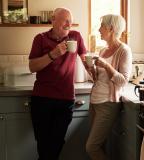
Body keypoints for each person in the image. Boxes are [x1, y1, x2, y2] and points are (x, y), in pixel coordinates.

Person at [28, 7, 86, 160]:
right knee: (43, 143)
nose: (69, 25)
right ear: (53, 20)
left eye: (71, 22)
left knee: (56, 142)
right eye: (66, 21)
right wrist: (52, 55)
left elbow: (86, 59)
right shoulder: (40, 38)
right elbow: (32, 67)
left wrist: (97, 72)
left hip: (65, 99)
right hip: (42, 99)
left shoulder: (76, 36)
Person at [85, 14, 132, 160]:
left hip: (108, 104)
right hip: (95, 102)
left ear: (111, 29)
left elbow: (123, 81)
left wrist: (105, 65)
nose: (99, 30)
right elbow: (98, 79)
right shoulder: (103, 51)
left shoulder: (124, 50)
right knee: (100, 146)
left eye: (102, 26)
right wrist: (91, 70)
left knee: (91, 147)